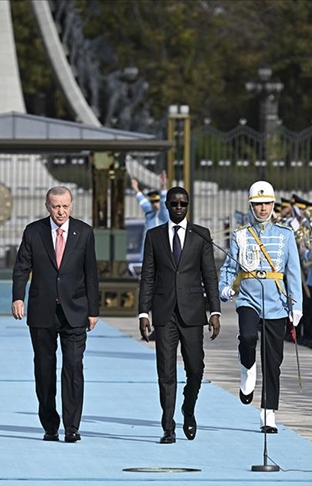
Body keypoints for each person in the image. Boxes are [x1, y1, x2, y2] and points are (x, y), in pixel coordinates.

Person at [12, 186, 100, 444]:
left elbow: (91, 274)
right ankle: (50, 425)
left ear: (71, 205)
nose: (60, 211)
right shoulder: (33, 231)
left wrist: (93, 310)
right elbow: (21, 267)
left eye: (65, 206)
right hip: (42, 312)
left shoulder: (84, 232)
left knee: (73, 368)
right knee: (44, 369)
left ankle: (72, 427)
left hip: (75, 311)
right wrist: (18, 297)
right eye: (55, 206)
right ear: (47, 206)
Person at [138, 186, 221, 444]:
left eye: (182, 204)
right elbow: (147, 277)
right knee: (165, 371)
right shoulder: (154, 237)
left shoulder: (201, 235)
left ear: (188, 206)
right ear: (166, 205)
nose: (178, 208)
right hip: (164, 314)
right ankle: (168, 426)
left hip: (193, 313)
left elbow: (210, 276)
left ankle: (188, 408)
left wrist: (215, 311)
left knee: (196, 369)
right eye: (173, 204)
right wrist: (143, 312)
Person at [218, 180, 303, 433]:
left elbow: (293, 272)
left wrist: (296, 305)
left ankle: (268, 412)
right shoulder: (240, 235)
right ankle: (247, 368)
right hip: (248, 298)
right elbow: (230, 267)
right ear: (251, 206)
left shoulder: (285, 235)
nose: (262, 209)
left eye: (266, 204)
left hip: (276, 302)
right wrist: (224, 286)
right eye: (257, 204)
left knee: (273, 360)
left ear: (273, 204)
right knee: (246, 337)